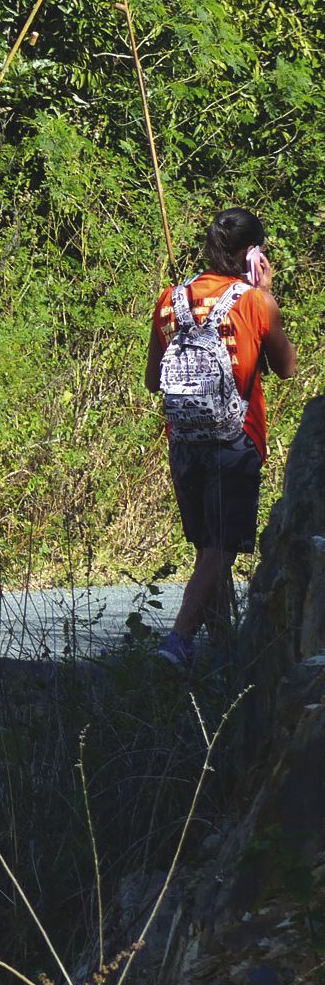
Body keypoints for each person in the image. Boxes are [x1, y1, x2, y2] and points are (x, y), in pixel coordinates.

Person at [145, 208, 296, 670]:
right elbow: (287, 367)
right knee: (222, 546)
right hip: (236, 438)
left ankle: (221, 654)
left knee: (208, 546)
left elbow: (153, 380)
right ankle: (179, 640)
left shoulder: (172, 299)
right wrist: (266, 293)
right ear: (252, 253)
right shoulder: (255, 302)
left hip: (184, 439)